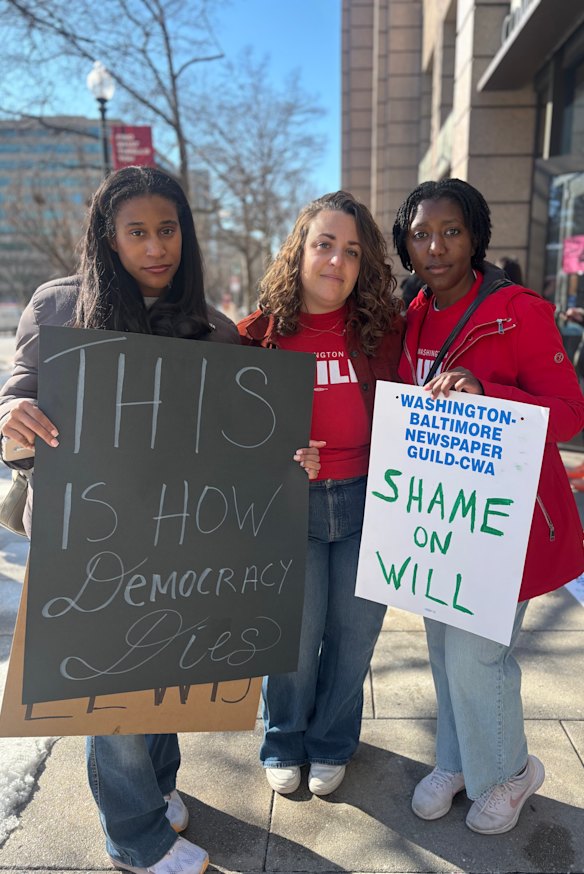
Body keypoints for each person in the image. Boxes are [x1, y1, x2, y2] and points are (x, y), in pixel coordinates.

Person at [0, 166, 321, 874]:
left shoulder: (213, 329)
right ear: (107, 237)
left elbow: (248, 440)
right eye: (137, 231)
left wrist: (290, 461)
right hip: (90, 539)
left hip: (181, 536)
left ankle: (159, 787)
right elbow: (17, 405)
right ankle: (134, 837)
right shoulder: (57, 309)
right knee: (107, 696)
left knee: (165, 672)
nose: (155, 247)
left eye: (167, 229)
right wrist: (10, 417)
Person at [392, 178, 584, 835]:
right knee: (444, 647)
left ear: (475, 235)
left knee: (480, 655)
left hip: (507, 519)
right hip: (440, 515)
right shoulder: (413, 310)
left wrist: (486, 389)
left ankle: (510, 771)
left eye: (451, 231)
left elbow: (567, 412)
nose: (436, 246)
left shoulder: (518, 310)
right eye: (421, 234)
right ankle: (459, 761)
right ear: (405, 243)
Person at [238, 190, 404, 797]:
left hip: (370, 502)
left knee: (355, 638)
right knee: (293, 641)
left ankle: (333, 740)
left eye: (352, 251)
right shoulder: (257, 336)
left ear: (365, 265)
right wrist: (273, 453)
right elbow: (228, 437)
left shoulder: (385, 333)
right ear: (299, 251)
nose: (337, 260)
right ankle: (283, 739)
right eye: (325, 244)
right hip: (292, 510)